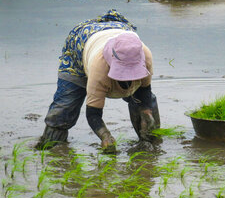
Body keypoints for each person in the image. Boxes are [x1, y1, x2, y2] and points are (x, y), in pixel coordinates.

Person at [37, 9, 160, 153]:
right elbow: (93, 113)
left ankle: (150, 144)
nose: (129, 77)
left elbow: (144, 91)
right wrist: (105, 136)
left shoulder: (145, 56)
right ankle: (51, 145)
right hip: (80, 45)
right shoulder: (99, 67)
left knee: (146, 107)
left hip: (120, 32)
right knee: (65, 106)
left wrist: (146, 112)